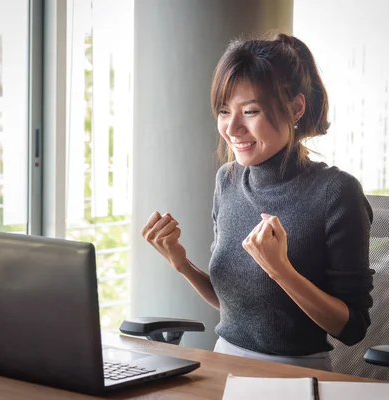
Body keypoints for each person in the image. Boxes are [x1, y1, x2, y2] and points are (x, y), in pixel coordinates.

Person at [141, 33, 374, 372]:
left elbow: (352, 328)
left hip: (294, 373)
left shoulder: (337, 193)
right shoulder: (228, 179)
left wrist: (280, 271)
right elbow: (236, 307)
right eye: (224, 111)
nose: (232, 128)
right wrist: (183, 265)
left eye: (250, 111)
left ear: (295, 108)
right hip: (223, 361)